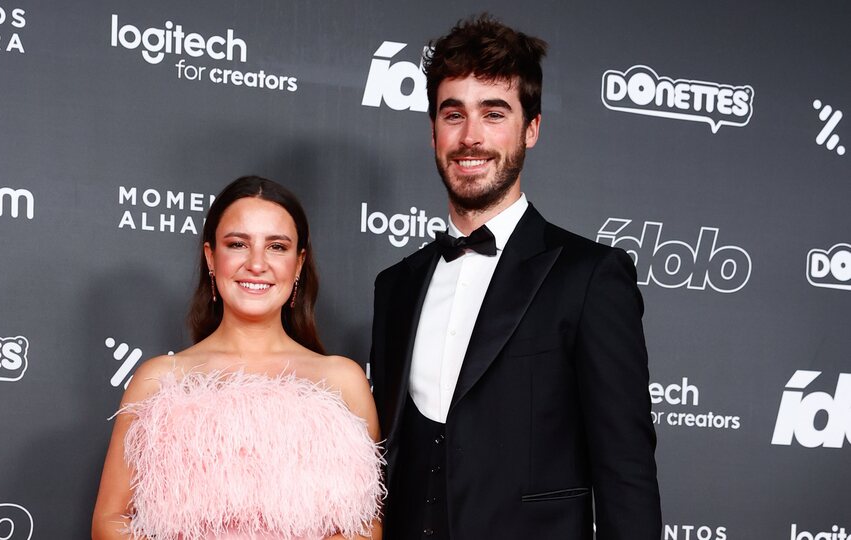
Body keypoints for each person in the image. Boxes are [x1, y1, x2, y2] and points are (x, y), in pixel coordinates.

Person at [370, 14, 661, 540]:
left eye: (494, 113)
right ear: (433, 130)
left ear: (531, 128)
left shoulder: (590, 278)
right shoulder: (396, 287)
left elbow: (627, 476)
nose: (471, 136)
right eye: (452, 114)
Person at [93, 176, 383, 540]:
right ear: (211, 257)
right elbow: (111, 521)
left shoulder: (343, 381)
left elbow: (366, 525)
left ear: (298, 264)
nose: (257, 264)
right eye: (237, 244)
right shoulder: (158, 381)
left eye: (277, 246)